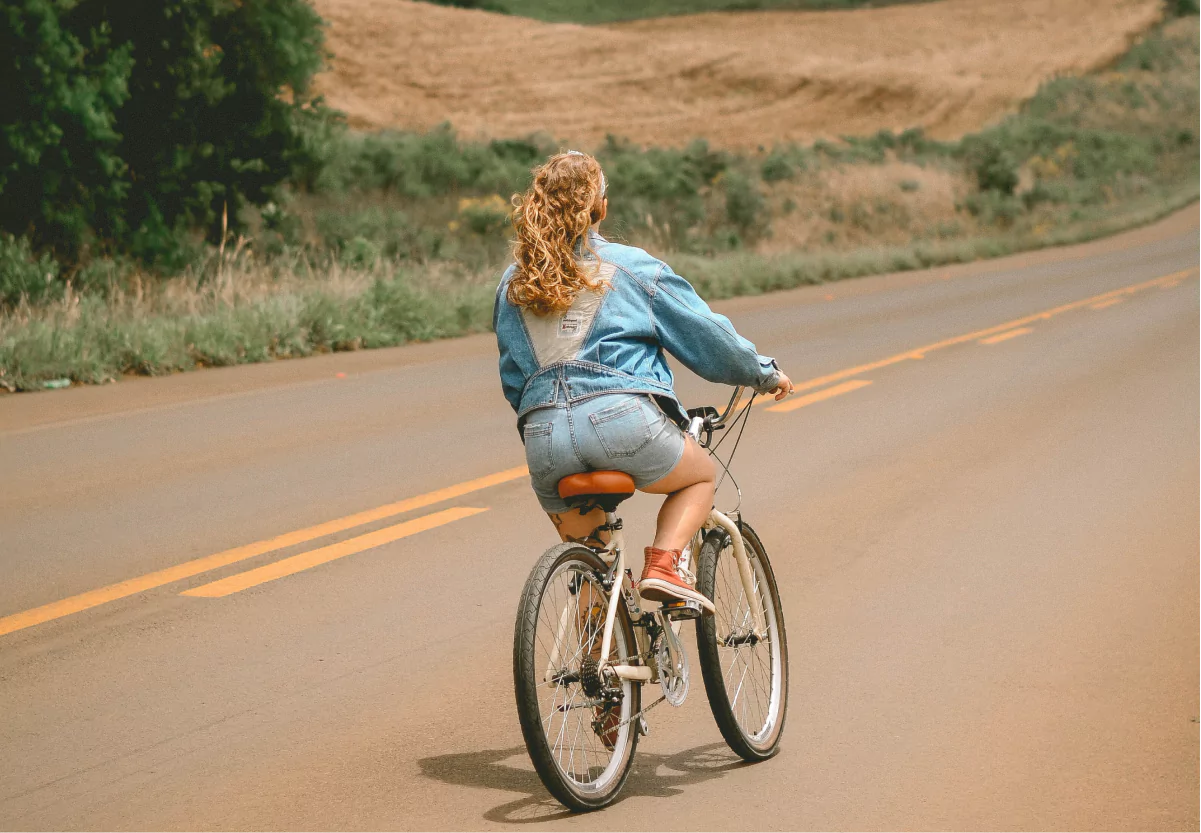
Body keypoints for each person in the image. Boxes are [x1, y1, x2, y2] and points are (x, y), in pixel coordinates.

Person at [494, 151, 793, 612]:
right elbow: (707, 338)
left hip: (544, 437)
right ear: (601, 208)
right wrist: (762, 373)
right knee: (700, 478)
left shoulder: (514, 283)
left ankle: (596, 662)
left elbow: (514, 380)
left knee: (594, 562)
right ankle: (665, 566)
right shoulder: (632, 267)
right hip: (621, 421)